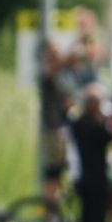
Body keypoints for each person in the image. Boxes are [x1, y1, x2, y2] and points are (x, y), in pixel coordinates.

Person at [70, 84, 112, 222]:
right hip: (95, 182)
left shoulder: (79, 124)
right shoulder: (92, 126)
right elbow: (111, 136)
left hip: (84, 181)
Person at [38, 38, 72, 202]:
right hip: (53, 128)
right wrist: (70, 55)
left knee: (61, 168)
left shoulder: (58, 75)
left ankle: (55, 201)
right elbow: (55, 69)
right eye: (54, 51)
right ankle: (50, 205)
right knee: (54, 169)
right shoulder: (46, 71)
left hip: (60, 126)